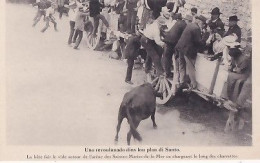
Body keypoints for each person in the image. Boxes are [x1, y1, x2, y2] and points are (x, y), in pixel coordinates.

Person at [174, 15, 206, 91]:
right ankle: (194, 84)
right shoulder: (196, 28)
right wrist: (205, 41)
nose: (203, 25)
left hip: (180, 47)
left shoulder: (190, 25)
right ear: (199, 21)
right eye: (203, 23)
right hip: (187, 50)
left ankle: (182, 81)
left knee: (182, 65)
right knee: (191, 67)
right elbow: (198, 42)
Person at [161, 13, 186, 78]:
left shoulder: (176, 23)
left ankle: (167, 72)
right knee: (176, 56)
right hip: (174, 42)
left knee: (167, 56)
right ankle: (175, 71)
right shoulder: (184, 24)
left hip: (168, 40)